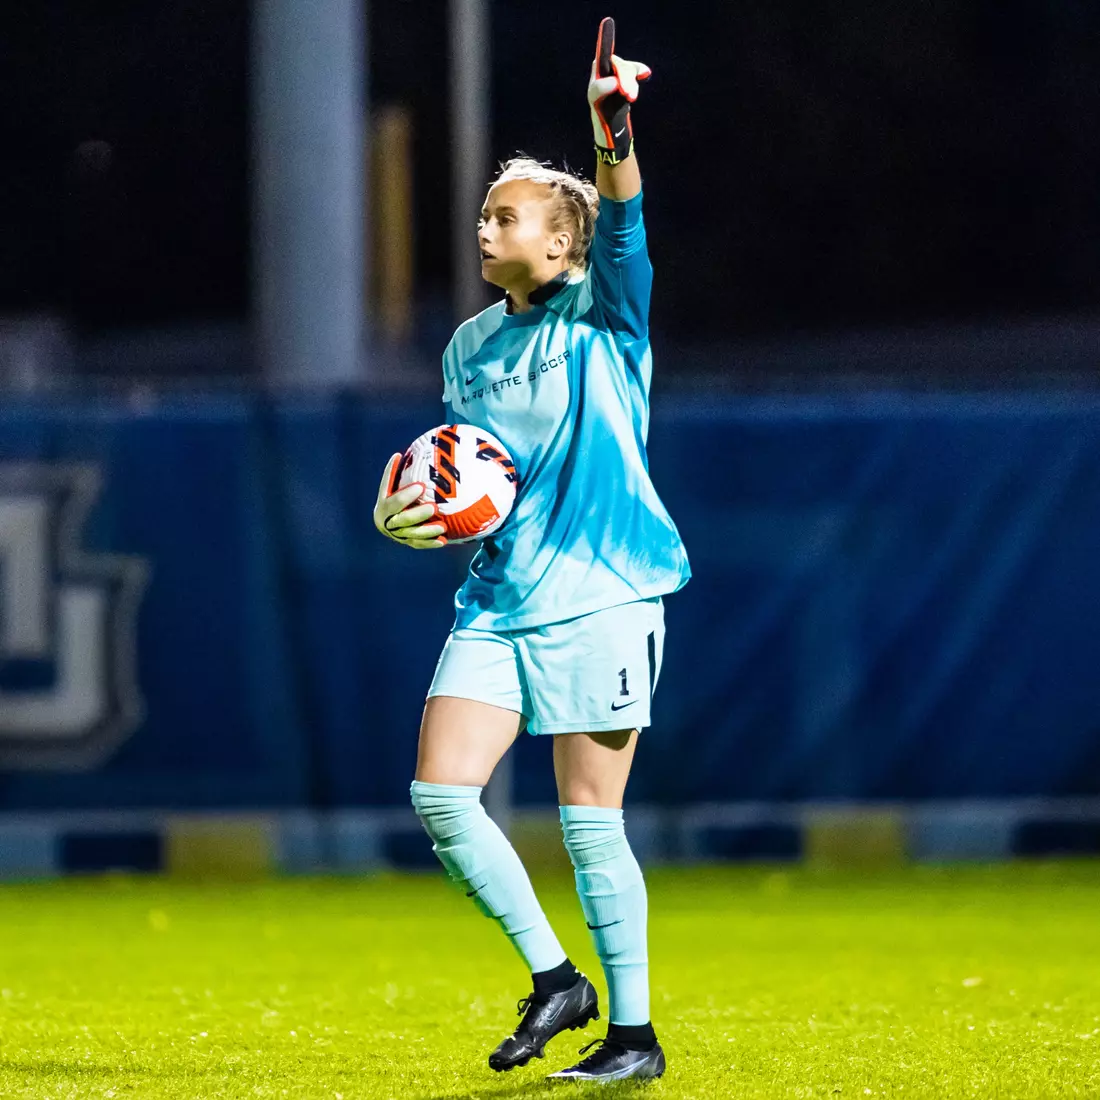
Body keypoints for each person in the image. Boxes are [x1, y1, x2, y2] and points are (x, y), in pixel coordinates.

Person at [373, 17, 689, 1084]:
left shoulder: (606, 314)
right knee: (441, 793)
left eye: (504, 215)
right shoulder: (467, 345)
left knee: (587, 815)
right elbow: (478, 479)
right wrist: (421, 508)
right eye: (481, 212)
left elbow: (627, 216)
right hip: (499, 599)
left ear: (559, 244)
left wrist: (612, 131)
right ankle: (558, 979)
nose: (483, 224)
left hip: (604, 590)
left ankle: (633, 1035)